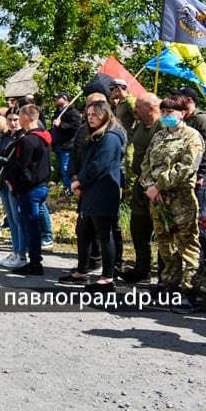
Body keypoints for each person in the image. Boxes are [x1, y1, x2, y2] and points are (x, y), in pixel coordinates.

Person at [140, 94, 205, 312]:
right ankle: (169, 286)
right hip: (158, 200)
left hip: (180, 199)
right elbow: (146, 163)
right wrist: (150, 186)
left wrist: (159, 185)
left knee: (186, 245)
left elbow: (187, 168)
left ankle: (189, 292)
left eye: (171, 112)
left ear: (183, 113)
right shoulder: (158, 136)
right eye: (164, 112)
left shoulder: (192, 137)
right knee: (165, 245)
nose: (167, 116)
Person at [69, 101, 125, 289]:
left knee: (104, 234)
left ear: (105, 115)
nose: (90, 117)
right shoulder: (96, 135)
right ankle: (81, 271)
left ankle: (107, 278)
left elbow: (98, 164)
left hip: (103, 191)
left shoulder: (110, 137)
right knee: (83, 231)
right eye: (88, 114)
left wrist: (79, 181)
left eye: (95, 114)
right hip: (91, 191)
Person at [3, 104, 53, 275]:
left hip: (30, 188)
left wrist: (10, 180)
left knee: (30, 226)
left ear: (25, 117)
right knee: (31, 225)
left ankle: (35, 262)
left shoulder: (28, 139)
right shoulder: (44, 136)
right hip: (41, 185)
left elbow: (21, 165)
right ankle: (34, 260)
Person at [173, 85, 206, 278]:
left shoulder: (201, 119)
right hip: (184, 177)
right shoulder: (184, 119)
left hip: (199, 178)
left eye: (179, 98)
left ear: (189, 101)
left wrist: (202, 174)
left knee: (199, 220)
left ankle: (200, 264)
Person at [118, 93, 162, 284]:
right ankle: (142, 268)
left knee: (162, 232)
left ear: (151, 107)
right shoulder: (139, 127)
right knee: (138, 228)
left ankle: (164, 274)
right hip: (140, 183)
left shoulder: (164, 128)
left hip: (159, 187)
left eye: (138, 106)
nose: (134, 110)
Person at [0, 112, 28, 269]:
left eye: (16, 120)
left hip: (14, 181)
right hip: (4, 179)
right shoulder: (6, 136)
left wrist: (1, 160)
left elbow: (16, 161)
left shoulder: (23, 137)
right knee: (11, 218)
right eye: (10, 120)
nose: (13, 123)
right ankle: (15, 251)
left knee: (18, 218)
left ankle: (21, 253)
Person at [51, 91, 82, 195]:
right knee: (61, 169)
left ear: (65, 99)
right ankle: (66, 189)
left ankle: (71, 191)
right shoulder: (57, 113)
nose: (55, 99)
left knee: (66, 169)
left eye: (58, 97)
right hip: (58, 145)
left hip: (67, 146)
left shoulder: (73, 112)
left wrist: (61, 125)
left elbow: (76, 126)